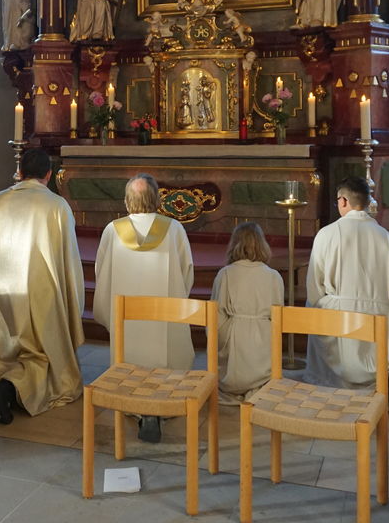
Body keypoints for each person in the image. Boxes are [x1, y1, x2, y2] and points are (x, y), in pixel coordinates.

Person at [0, 148, 85, 424]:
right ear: (49, 174)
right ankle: (9, 388)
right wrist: (72, 297)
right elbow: (67, 258)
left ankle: (0, 379)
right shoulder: (56, 205)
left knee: (3, 347)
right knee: (42, 353)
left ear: (20, 173)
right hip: (38, 293)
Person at [305, 176, 389, 415]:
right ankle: (388, 372)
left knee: (314, 305)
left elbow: (314, 287)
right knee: (387, 313)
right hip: (379, 320)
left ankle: (329, 383)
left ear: (344, 201)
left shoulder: (327, 234)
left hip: (340, 319)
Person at [92, 173, 194, 443]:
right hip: (165, 315)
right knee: (167, 356)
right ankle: (161, 404)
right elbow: (186, 272)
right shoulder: (174, 229)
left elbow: (102, 272)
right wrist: (176, 296)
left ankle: (134, 404)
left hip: (126, 317)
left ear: (127, 200)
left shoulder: (113, 230)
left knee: (128, 355)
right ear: (157, 199)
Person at [211, 222, 284, 404]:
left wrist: (223, 339)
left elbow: (216, 315)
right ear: (261, 244)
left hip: (234, 337)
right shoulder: (273, 276)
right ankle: (259, 381)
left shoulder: (225, 274)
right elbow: (278, 317)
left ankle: (235, 384)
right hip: (263, 339)